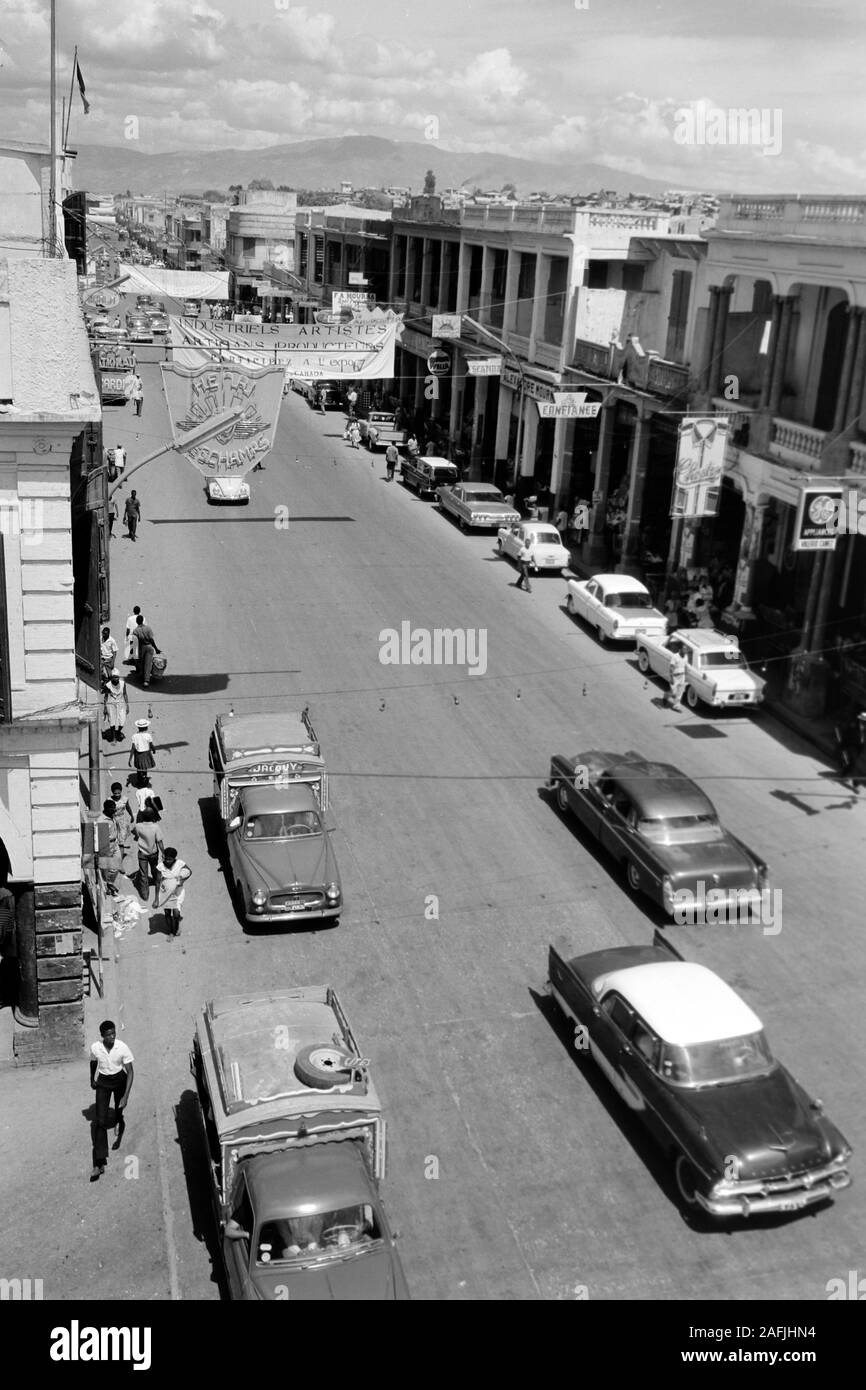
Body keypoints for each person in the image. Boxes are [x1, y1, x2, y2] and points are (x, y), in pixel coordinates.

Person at [89, 1020, 134, 1180]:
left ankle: (119, 1121)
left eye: (114, 1033)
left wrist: (125, 1096)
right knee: (100, 1121)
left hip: (119, 1080)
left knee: (118, 1109)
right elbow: (93, 1062)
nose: (112, 1037)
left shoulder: (122, 1047)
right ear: (102, 1036)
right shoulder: (96, 1047)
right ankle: (99, 1162)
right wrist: (92, 1079)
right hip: (103, 1082)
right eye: (108, 1034)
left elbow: (130, 1072)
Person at [155, 847, 191, 938]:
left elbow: (189, 872)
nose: (167, 861)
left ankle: (177, 925)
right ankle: (171, 931)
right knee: (167, 913)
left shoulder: (180, 863)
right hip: (166, 893)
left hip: (178, 892)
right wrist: (156, 899)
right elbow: (157, 882)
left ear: (174, 858)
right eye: (165, 858)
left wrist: (183, 879)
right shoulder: (160, 867)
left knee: (176, 913)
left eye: (170, 859)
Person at [133, 808, 163, 903]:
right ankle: (156, 881)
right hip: (153, 853)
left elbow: (136, 835)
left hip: (142, 853)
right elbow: (159, 841)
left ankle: (145, 895)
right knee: (155, 868)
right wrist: (163, 852)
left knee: (143, 874)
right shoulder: (155, 827)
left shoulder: (138, 826)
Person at [97, 800, 123, 897]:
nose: (114, 810)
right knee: (105, 868)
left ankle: (110, 883)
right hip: (106, 845)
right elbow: (101, 838)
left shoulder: (112, 816)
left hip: (114, 843)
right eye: (112, 808)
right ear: (106, 809)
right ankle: (107, 886)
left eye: (114, 808)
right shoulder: (101, 821)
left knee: (116, 864)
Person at [103, 669, 129, 744]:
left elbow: (125, 694)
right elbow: (106, 697)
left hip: (121, 704)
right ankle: (114, 736)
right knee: (112, 721)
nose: (116, 679)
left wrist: (127, 705)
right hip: (111, 704)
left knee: (122, 721)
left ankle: (118, 731)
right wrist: (105, 707)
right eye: (114, 677)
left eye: (117, 677)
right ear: (111, 678)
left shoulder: (123, 683)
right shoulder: (108, 685)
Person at [134, 614, 161, 686]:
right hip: (149, 647)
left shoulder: (135, 631)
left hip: (141, 648)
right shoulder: (148, 628)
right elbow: (151, 639)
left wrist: (134, 651)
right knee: (148, 664)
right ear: (143, 621)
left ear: (136, 621)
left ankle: (144, 678)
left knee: (142, 663)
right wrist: (156, 648)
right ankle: (146, 680)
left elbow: (135, 642)